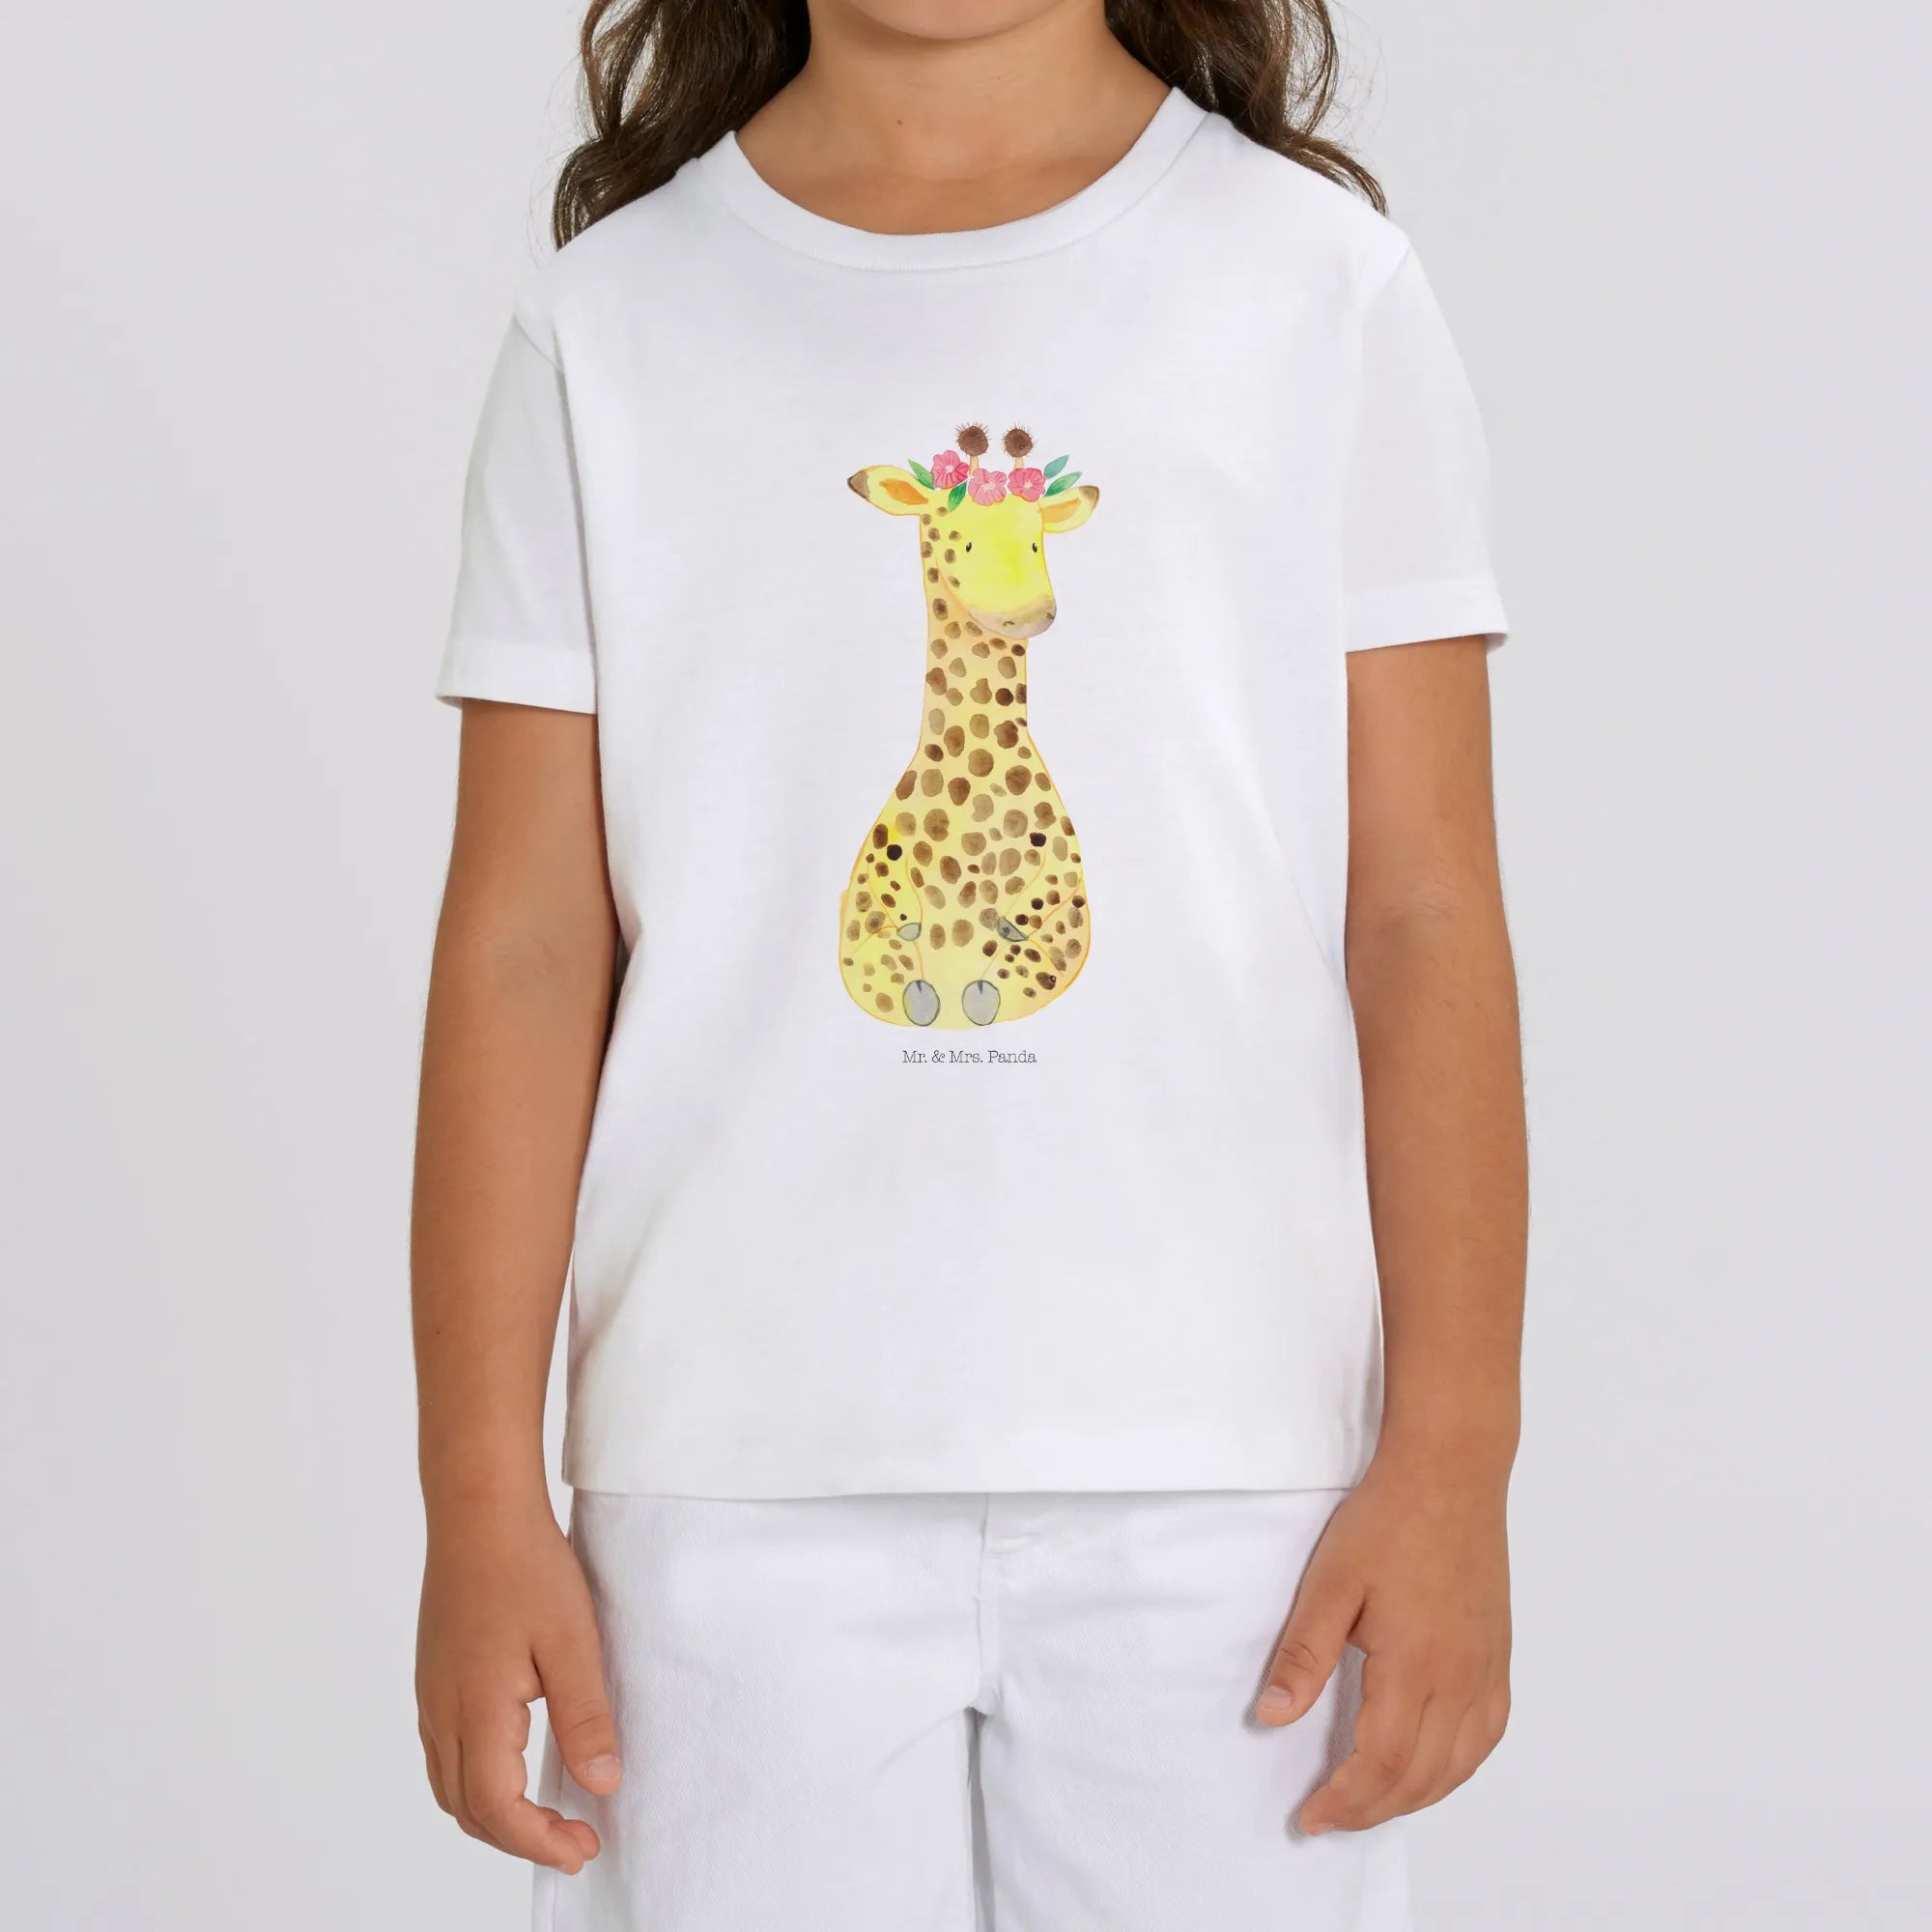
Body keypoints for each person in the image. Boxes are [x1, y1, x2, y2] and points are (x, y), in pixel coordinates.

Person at [412, 2, 1526, 1927]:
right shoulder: (612, 324)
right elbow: (523, 943)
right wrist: (476, 1493)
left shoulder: (1317, 287)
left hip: (1233, 1484)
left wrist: (1454, 1458)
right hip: (722, 1479)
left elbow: (1421, 914)